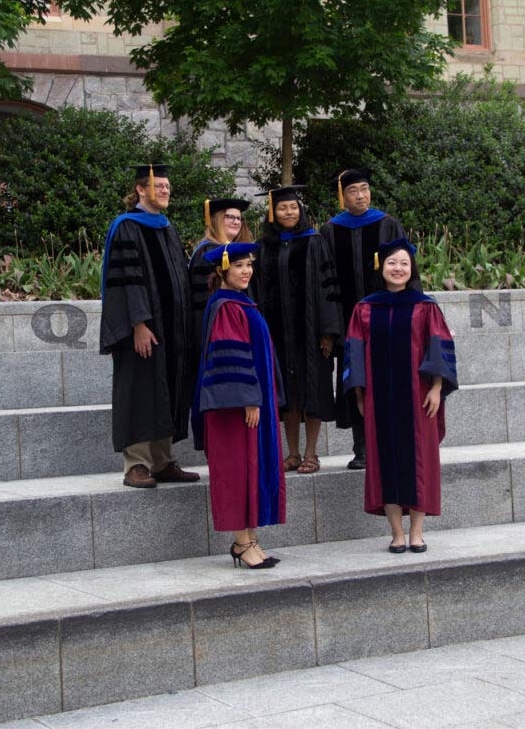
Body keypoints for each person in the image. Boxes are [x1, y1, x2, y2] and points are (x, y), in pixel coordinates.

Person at [343, 238, 458, 553]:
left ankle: (417, 532)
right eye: (392, 262)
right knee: (384, 462)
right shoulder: (365, 308)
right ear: (382, 267)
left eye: (404, 263)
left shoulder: (425, 306)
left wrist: (436, 388)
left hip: (418, 398)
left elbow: (438, 347)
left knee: (419, 460)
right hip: (378, 400)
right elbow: (354, 351)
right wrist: (358, 394)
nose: (398, 268)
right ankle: (396, 533)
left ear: (412, 269)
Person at [99, 163, 200, 488]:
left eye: (168, 186)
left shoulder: (165, 227)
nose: (165, 191)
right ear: (141, 189)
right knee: (141, 391)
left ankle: (163, 460)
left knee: (167, 388)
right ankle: (136, 465)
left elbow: (178, 276)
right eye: (159, 186)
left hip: (172, 330)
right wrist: (139, 323)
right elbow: (129, 282)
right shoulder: (127, 227)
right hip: (141, 330)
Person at [192, 242, 285, 569]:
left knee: (251, 468)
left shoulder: (242, 303)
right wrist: (248, 398)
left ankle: (250, 541)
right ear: (222, 271)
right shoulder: (226, 307)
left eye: (249, 265)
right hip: (235, 410)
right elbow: (230, 357)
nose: (246, 271)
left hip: (252, 405)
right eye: (239, 266)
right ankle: (242, 543)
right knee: (237, 470)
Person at [320, 168, 407, 470]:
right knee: (356, 382)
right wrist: (331, 327)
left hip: (387, 319)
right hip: (348, 324)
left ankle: (390, 445)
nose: (361, 195)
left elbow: (406, 271)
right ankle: (362, 448)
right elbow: (325, 282)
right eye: (354, 190)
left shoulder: (388, 225)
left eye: (365, 188)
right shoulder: (330, 231)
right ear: (342, 197)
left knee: (388, 382)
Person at [252, 185, 343, 475]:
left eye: (293, 207)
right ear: (273, 212)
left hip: (311, 334)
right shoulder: (266, 245)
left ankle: (311, 454)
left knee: (312, 391)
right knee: (287, 394)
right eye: (282, 208)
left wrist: (328, 331)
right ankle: (291, 454)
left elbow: (330, 287)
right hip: (277, 334)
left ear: (300, 210)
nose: (288, 212)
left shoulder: (314, 242)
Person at [188, 197, 253, 352]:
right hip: (218, 330)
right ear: (217, 220)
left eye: (239, 218)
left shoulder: (232, 250)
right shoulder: (209, 252)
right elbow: (205, 300)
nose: (236, 222)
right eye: (230, 217)